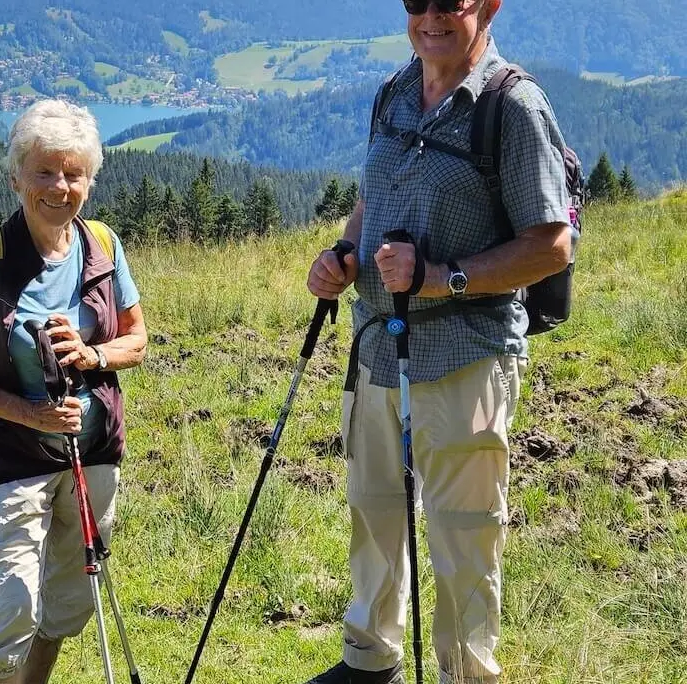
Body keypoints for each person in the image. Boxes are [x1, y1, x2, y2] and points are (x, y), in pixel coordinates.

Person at [303, 1, 574, 683]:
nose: (429, 17)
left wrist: (441, 278)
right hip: (376, 351)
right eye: (414, 2)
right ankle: (370, 661)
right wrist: (344, 253)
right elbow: (374, 196)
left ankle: (464, 673)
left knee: (462, 533)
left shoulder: (513, 107)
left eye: (447, 3)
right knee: (374, 512)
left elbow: (551, 246)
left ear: (487, 6)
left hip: (465, 354)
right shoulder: (394, 93)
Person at [0, 99, 148, 683]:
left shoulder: (102, 246)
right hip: (10, 458)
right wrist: (30, 413)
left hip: (93, 452)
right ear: (16, 178)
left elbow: (137, 339)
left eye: (73, 173)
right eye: (44, 172)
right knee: (13, 609)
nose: (59, 186)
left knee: (67, 604)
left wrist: (92, 354)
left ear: (90, 180)